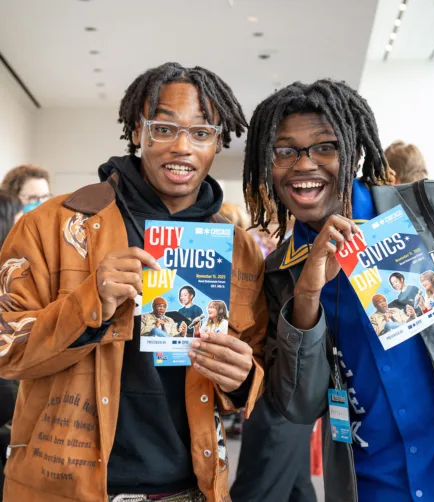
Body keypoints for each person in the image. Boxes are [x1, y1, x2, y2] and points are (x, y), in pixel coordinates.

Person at [0, 62, 268, 502]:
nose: (182, 146)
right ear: (137, 131)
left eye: (201, 132)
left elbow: (255, 362)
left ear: (217, 142)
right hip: (65, 489)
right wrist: (89, 303)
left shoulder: (238, 250)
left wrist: (241, 379)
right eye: (164, 128)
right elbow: (5, 350)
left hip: (189, 489)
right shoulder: (51, 225)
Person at [244, 79, 434, 501]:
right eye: (284, 151)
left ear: (354, 151)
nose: (304, 165)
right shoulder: (281, 274)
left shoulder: (432, 211)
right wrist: (306, 298)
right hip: (373, 487)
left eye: (325, 147)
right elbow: (300, 406)